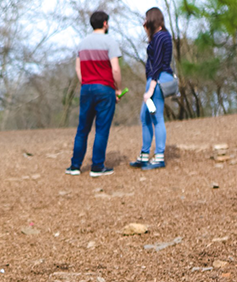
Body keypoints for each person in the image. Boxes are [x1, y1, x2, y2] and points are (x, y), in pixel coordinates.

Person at [66, 10, 123, 178]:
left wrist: (86, 82)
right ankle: (97, 167)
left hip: (86, 88)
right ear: (105, 23)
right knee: (101, 129)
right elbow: (115, 69)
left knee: (82, 129)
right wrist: (118, 89)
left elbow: (78, 68)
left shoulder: (82, 43)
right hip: (105, 88)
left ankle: (74, 166)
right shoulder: (110, 42)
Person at [130, 7, 174, 171]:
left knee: (156, 117)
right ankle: (144, 155)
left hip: (157, 81)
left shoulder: (161, 36)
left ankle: (159, 156)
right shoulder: (160, 36)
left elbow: (157, 65)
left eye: (146, 19)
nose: (143, 23)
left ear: (152, 20)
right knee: (145, 117)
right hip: (154, 80)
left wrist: (150, 89)